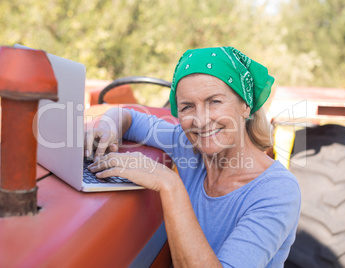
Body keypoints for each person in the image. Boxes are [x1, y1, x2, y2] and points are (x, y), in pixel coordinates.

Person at [85, 46, 301, 268]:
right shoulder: (187, 144)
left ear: (245, 105)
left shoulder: (277, 190)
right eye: (188, 107)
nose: (200, 120)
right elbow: (127, 116)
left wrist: (168, 183)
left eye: (214, 102)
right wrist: (107, 128)